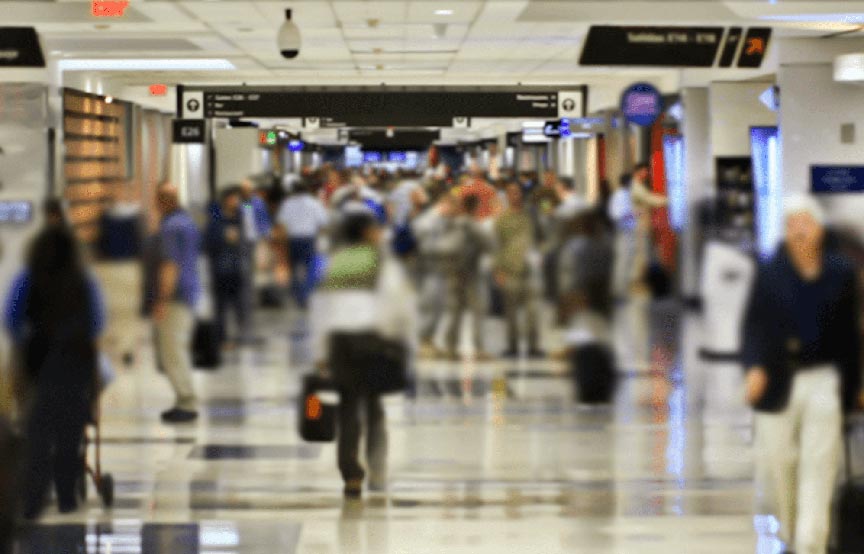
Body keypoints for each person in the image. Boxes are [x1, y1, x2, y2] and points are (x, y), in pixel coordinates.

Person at [743, 195, 861, 554]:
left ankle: (812, 542)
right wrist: (754, 367)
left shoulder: (840, 273)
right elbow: (753, 325)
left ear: (820, 230)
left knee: (819, 464)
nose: (798, 231)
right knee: (778, 464)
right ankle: (794, 534)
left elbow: (848, 336)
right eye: (791, 224)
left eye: (805, 224)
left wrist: (856, 383)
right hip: (778, 379)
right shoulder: (770, 272)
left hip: (824, 379)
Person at [310, 211, 416, 498]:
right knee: (374, 409)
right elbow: (396, 305)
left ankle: (351, 475)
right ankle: (378, 471)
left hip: (341, 342)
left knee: (347, 410)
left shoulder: (336, 263)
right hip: (373, 340)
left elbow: (322, 307)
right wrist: (402, 341)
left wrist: (320, 350)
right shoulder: (382, 262)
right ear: (367, 233)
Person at [3, 227, 106, 519]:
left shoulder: (28, 276)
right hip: (76, 361)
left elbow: (10, 317)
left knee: (37, 431)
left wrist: (25, 340)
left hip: (38, 360)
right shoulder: (84, 280)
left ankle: (34, 499)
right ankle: (66, 496)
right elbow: (98, 321)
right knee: (70, 430)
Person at [152, 183, 202, 424]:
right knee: (177, 348)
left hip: (176, 296)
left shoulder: (171, 227)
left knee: (172, 351)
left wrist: (162, 299)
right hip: (189, 291)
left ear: (161, 201)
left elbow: (170, 265)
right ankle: (184, 399)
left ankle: (186, 400)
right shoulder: (187, 221)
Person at [494, 183, 543, 358]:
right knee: (511, 312)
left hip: (530, 270)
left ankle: (533, 346)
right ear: (506, 196)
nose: (515, 196)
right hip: (510, 269)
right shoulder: (502, 220)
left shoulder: (531, 216)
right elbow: (496, 245)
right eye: (511, 193)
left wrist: (541, 255)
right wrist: (498, 270)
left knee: (533, 311)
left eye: (517, 192)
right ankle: (512, 346)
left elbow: (542, 237)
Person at [443, 195, 494, 361]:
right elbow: (489, 245)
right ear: (476, 207)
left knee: (455, 311)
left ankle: (450, 347)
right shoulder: (473, 225)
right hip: (472, 274)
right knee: (478, 311)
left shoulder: (452, 225)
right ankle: (478, 348)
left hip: (453, 272)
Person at [205, 187, 253, 347]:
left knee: (241, 304)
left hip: (239, 268)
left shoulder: (243, 216)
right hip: (220, 270)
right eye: (233, 199)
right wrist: (223, 238)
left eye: (238, 199)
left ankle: (242, 335)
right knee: (221, 306)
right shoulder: (215, 220)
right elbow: (207, 244)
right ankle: (222, 338)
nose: (236, 202)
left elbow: (249, 239)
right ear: (225, 201)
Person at [275, 180, 329, 309]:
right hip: (309, 239)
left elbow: (281, 224)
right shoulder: (314, 203)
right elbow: (323, 223)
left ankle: (297, 295)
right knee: (310, 268)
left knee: (293, 268)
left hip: (292, 239)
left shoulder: (287, 204)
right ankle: (306, 294)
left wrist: (281, 242)